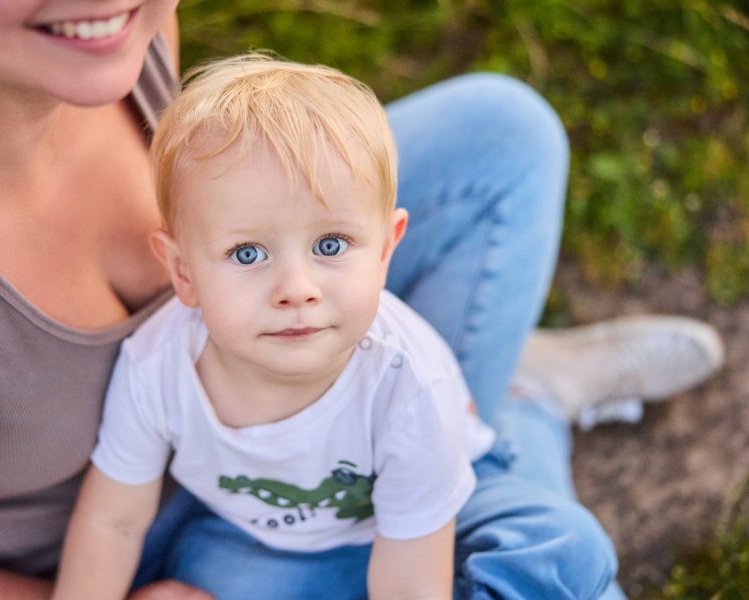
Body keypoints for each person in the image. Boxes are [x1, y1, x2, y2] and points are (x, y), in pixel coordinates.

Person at [0, 1, 723, 599]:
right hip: (170, 545)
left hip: (277, 369)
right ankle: (516, 418)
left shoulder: (113, 31)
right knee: (549, 553)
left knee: (503, 141)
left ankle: (470, 423)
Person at [53, 53, 513, 600]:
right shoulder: (156, 365)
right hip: (261, 540)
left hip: (433, 515)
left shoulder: (410, 389)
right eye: (247, 253)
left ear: (387, 249)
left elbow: (412, 582)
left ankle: (531, 416)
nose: (296, 288)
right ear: (183, 271)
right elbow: (115, 520)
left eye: (330, 245)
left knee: (560, 551)